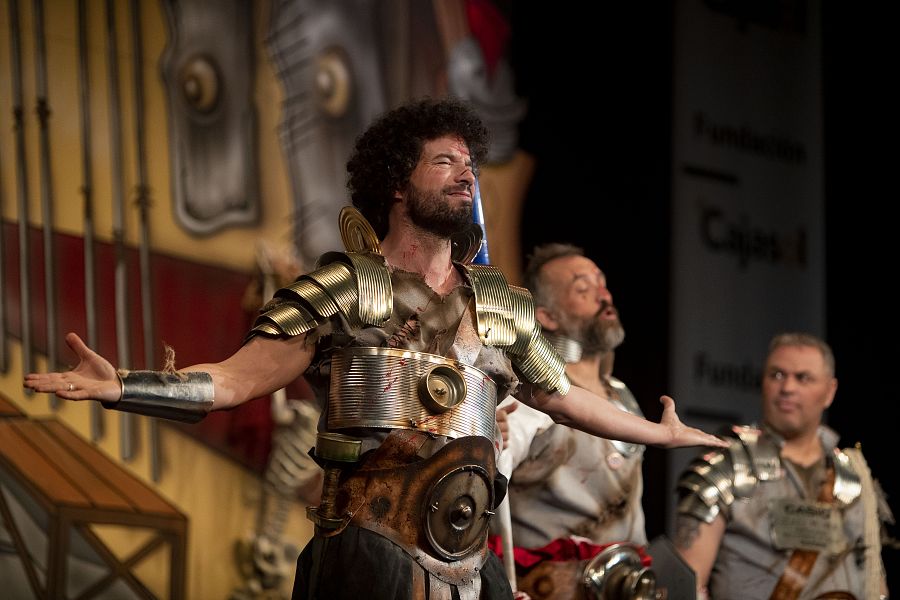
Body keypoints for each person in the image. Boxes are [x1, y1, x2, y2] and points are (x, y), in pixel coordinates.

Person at [25, 96, 725, 600]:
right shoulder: (344, 290)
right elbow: (236, 382)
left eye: (470, 164)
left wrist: (658, 433)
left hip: (467, 566)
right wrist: (124, 386)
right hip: (367, 557)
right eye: (445, 161)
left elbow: (563, 398)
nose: (466, 175)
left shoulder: (502, 307)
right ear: (397, 182)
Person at [674, 332, 893, 600]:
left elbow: (873, 579)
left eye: (803, 378)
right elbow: (686, 585)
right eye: (777, 375)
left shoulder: (854, 475)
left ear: (830, 391)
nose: (787, 387)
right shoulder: (726, 465)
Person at [493, 243, 652, 597]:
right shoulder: (533, 396)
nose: (603, 295)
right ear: (547, 316)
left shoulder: (622, 397)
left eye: (602, 283)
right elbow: (489, 485)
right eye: (583, 289)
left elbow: (632, 516)